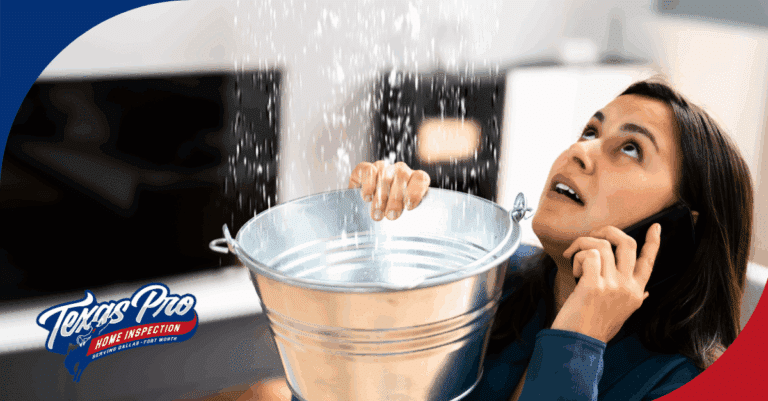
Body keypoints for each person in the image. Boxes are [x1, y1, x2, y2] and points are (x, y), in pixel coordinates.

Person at [234, 77, 754, 400]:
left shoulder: (682, 384)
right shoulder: (493, 286)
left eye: (632, 149)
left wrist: (578, 342)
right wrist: (368, 245)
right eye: (591, 131)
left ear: (683, 229)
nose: (581, 151)